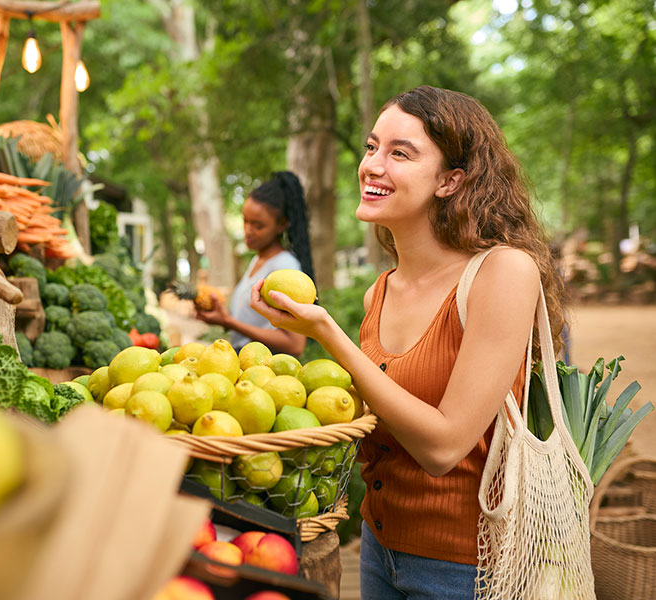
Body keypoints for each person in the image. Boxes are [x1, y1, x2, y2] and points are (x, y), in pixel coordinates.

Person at [249, 85, 567, 599]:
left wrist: (326, 333)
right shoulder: (383, 289)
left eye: (401, 153)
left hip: (465, 567)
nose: (373, 165)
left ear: (450, 180)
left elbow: (443, 446)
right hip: (379, 547)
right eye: (373, 146)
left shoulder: (504, 271)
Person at [195, 171, 314, 356]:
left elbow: (294, 344)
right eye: (245, 221)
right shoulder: (258, 259)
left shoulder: (284, 266)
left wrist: (229, 322)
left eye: (258, 225)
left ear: (282, 224)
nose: (248, 231)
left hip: (265, 369)